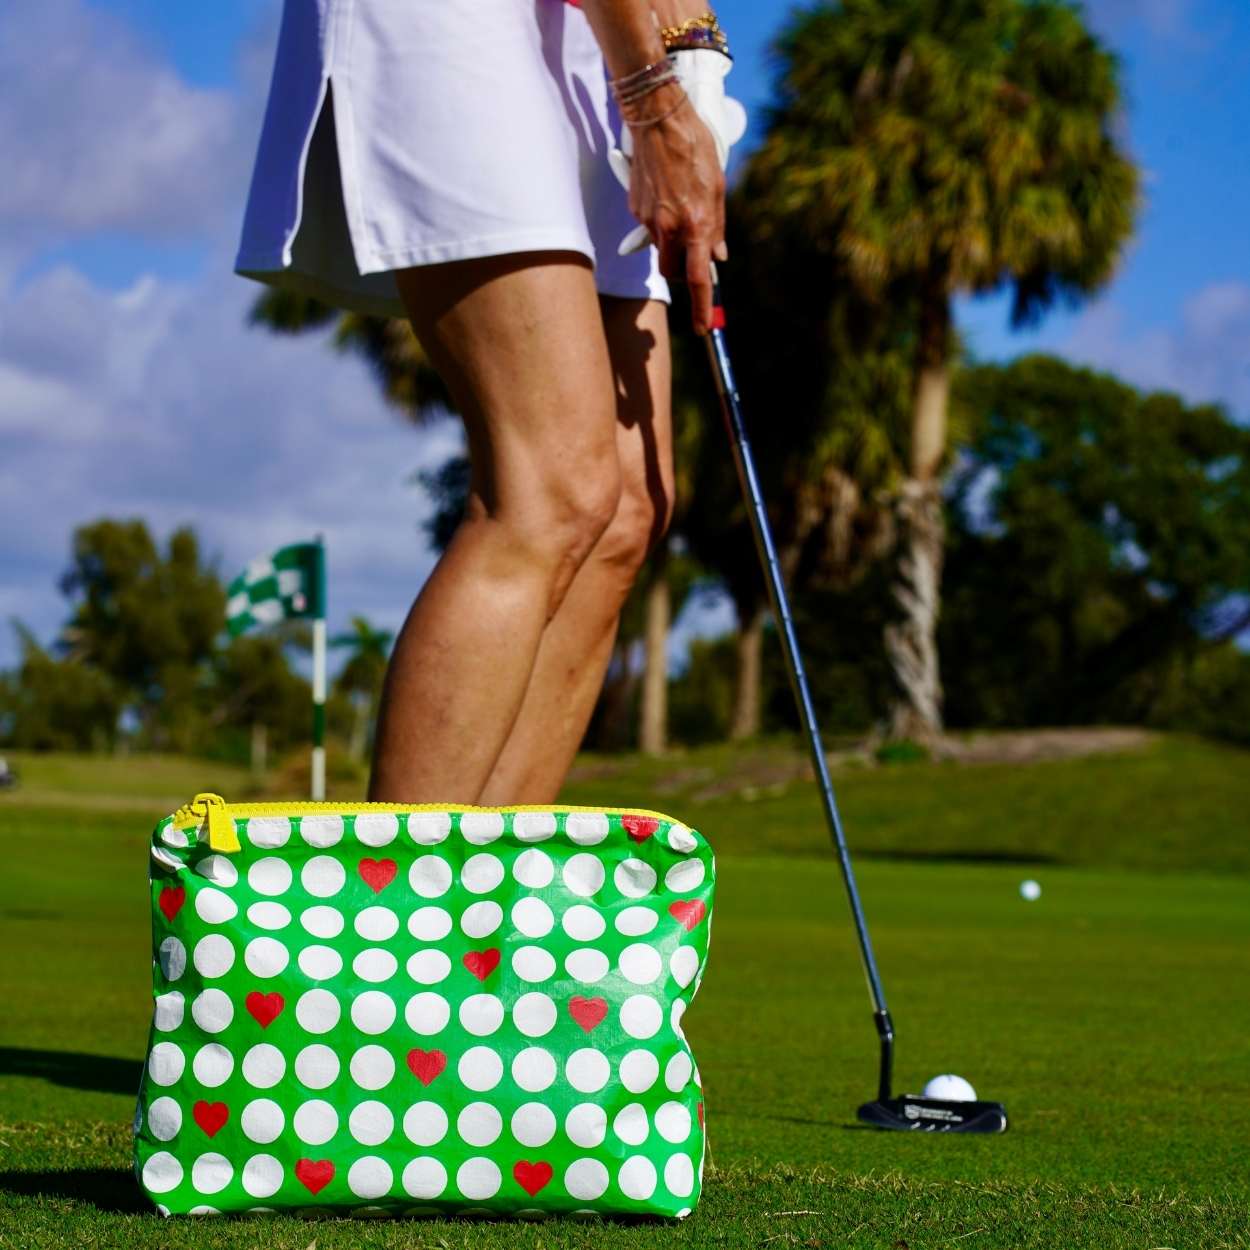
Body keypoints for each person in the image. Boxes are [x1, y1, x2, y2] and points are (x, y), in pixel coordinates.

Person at [234, 1, 743, 805]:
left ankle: (479, 907)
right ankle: (393, 908)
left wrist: (692, 57)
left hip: (597, 35)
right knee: (554, 490)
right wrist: (654, 100)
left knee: (624, 509)